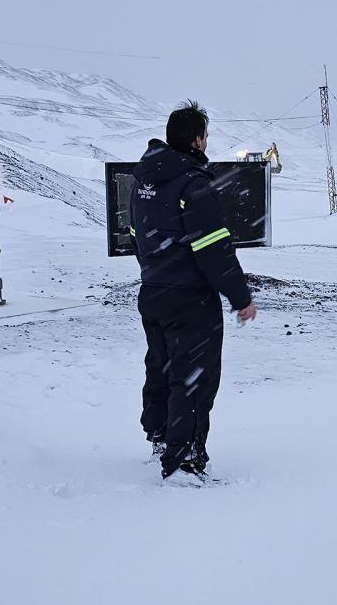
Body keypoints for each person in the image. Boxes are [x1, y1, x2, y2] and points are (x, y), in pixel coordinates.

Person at [129, 100, 257, 484]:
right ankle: (184, 460)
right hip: (191, 300)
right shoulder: (193, 182)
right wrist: (240, 297)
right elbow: (214, 247)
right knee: (193, 379)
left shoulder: (145, 179)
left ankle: (160, 438)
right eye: (206, 134)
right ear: (198, 141)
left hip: (153, 292)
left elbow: (137, 236)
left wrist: (157, 272)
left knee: (161, 368)